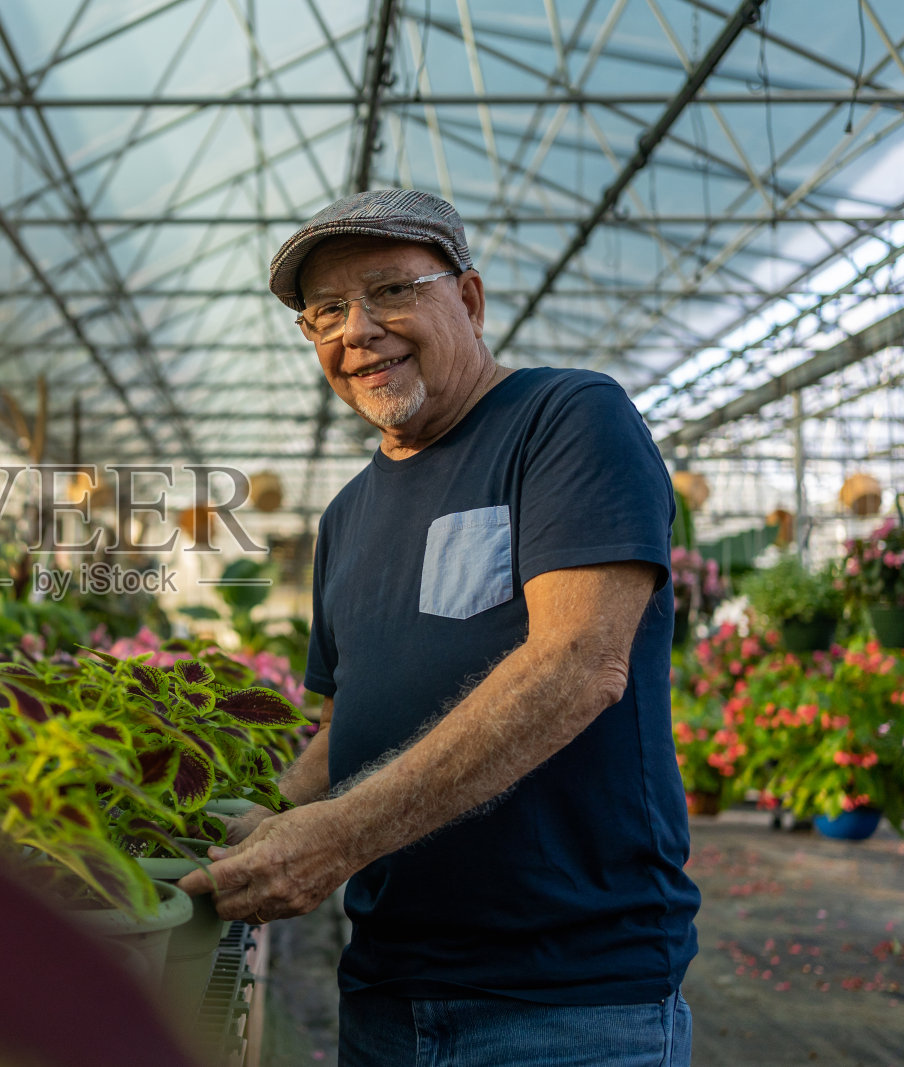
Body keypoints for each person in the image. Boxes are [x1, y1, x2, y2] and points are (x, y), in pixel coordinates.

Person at [178, 189, 700, 1066]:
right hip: (385, 992)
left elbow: (578, 664)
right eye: (326, 313)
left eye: (390, 291)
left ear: (467, 298)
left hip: (567, 1003)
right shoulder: (345, 516)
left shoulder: (566, 420)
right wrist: (263, 818)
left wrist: (333, 841)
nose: (358, 331)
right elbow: (344, 728)